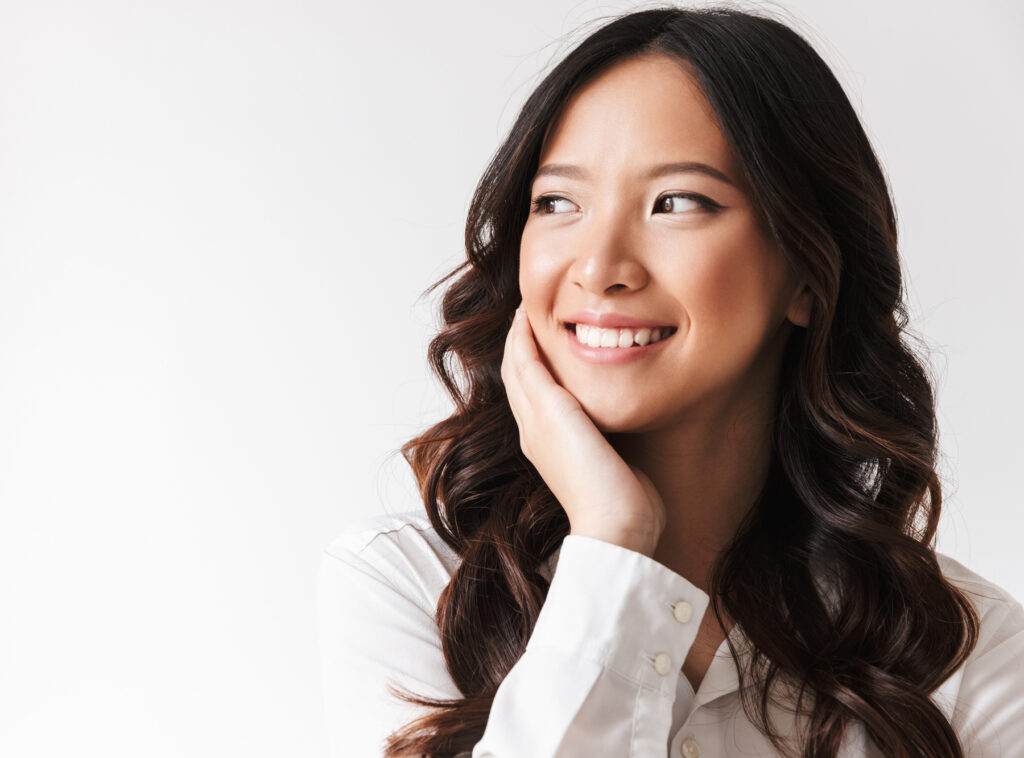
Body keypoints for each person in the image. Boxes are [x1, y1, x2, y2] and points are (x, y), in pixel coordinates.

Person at [317, 6, 1024, 757]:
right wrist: (611, 541)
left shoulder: (965, 654)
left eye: (677, 202)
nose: (597, 267)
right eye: (557, 203)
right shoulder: (409, 589)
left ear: (809, 276)